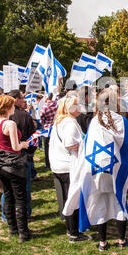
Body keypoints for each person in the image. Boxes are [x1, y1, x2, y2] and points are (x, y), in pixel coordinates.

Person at [63, 88, 128, 251]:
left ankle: (103, 242)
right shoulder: (120, 120)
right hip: (115, 168)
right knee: (119, 200)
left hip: (95, 169)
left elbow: (88, 146)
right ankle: (121, 240)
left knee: (98, 203)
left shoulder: (94, 122)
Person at [49, 95, 90, 242]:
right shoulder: (70, 123)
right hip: (68, 165)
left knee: (68, 196)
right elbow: (69, 144)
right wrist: (84, 146)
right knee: (73, 197)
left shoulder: (60, 121)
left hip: (59, 163)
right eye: (77, 104)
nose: (80, 107)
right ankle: (74, 232)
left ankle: (71, 228)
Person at [0, 95, 31, 243]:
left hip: (0, 163)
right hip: (14, 164)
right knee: (20, 198)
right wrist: (24, 144)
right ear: (8, 107)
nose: (15, 107)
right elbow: (15, 147)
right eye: (13, 105)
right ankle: (23, 233)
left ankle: (13, 228)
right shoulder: (10, 124)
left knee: (8, 196)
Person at [8, 89, 36, 218]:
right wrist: (30, 151)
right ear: (16, 100)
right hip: (22, 156)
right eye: (22, 97)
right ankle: (25, 214)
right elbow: (32, 138)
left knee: (8, 190)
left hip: (5, 157)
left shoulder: (0, 117)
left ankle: (7, 215)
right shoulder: (24, 116)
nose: (24, 99)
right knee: (24, 188)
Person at [40, 93, 57, 169]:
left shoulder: (44, 107)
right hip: (55, 128)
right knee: (54, 147)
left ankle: (48, 164)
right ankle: (55, 162)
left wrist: (44, 124)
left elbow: (41, 119)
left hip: (47, 129)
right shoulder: (56, 105)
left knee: (47, 147)